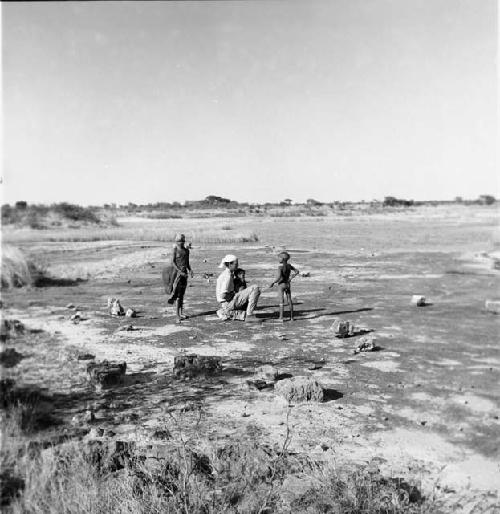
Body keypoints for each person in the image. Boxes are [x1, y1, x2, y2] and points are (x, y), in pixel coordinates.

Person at [216, 254, 261, 322]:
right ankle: (249, 315)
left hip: (226, 303)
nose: (237, 265)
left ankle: (228, 313)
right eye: (235, 264)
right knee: (255, 288)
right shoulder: (227, 276)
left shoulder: (228, 274)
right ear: (229, 264)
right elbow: (223, 295)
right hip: (227, 303)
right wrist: (234, 295)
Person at [166, 233, 193, 322]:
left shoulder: (186, 251)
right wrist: (180, 271)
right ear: (176, 242)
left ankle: (181, 313)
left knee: (182, 295)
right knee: (177, 295)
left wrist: (190, 270)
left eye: (182, 241)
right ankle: (177, 315)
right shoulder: (175, 250)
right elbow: (173, 263)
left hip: (184, 275)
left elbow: (187, 263)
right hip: (177, 275)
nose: (180, 243)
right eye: (178, 241)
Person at [269, 251, 299, 322]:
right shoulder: (289, 266)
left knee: (281, 301)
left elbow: (279, 277)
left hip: (281, 285)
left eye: (279, 258)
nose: (278, 259)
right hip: (288, 284)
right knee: (289, 300)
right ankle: (292, 317)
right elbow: (297, 271)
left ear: (282, 259)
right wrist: (291, 278)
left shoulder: (280, 267)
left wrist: (273, 282)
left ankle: (281, 318)